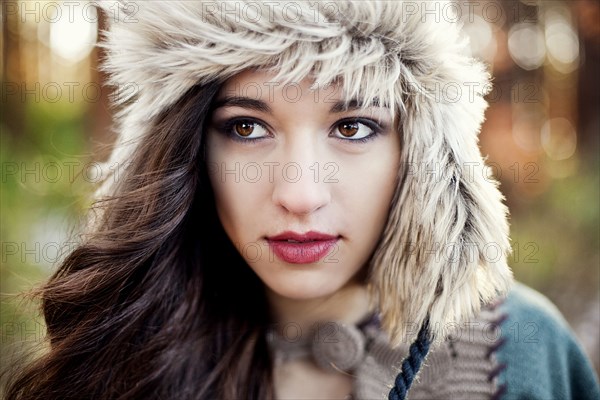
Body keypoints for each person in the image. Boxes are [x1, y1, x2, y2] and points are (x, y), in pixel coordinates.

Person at [3, 1, 599, 399]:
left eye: (353, 128)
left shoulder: (521, 348)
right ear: (184, 149)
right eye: (245, 128)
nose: (299, 194)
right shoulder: (121, 351)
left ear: (418, 151)